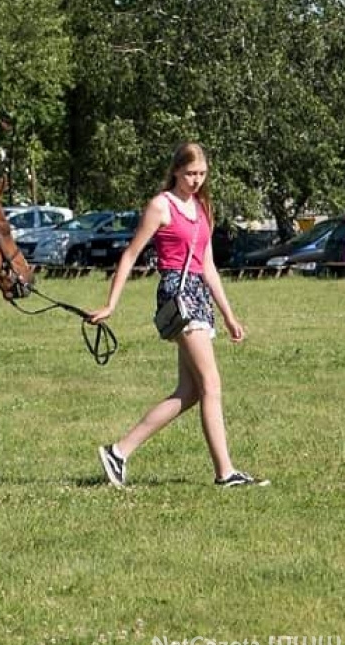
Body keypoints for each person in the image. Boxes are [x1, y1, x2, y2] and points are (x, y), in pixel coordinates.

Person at [86, 142, 267, 488]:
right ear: (176, 172)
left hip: (199, 295)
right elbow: (130, 254)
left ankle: (118, 452)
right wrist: (111, 304)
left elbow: (208, 266)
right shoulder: (161, 205)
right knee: (211, 384)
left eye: (201, 174)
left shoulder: (202, 207)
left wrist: (229, 315)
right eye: (189, 174)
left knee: (191, 390)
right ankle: (225, 472)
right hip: (177, 295)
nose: (196, 180)